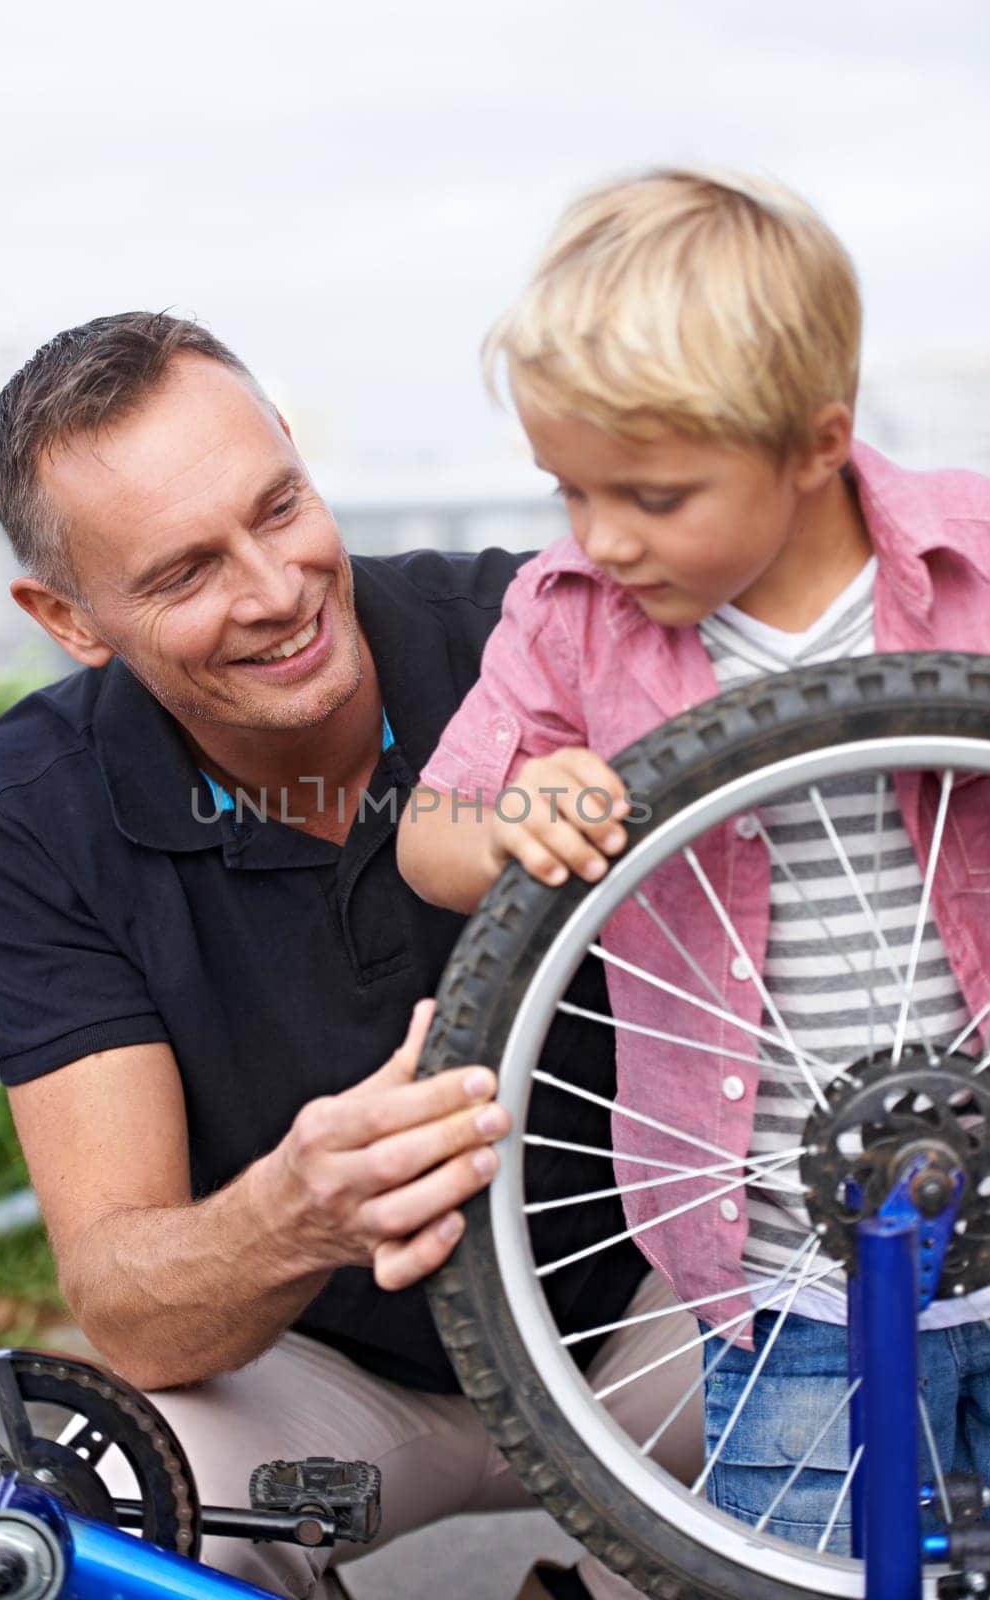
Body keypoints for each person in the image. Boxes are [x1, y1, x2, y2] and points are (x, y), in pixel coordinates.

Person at [0, 313, 701, 1600]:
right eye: (185, 574)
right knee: (88, 1508)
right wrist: (296, 1208)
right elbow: (126, 1299)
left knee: (920, 1372)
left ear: (295, 452)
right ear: (66, 618)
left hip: (663, 1327)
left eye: (278, 506)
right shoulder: (29, 808)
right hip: (329, 1392)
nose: (277, 588)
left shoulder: (542, 638)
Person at [397, 167, 990, 1551]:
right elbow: (430, 836)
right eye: (567, 488)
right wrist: (516, 817)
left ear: (814, 441)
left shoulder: (971, 561)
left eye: (653, 495)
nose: (601, 537)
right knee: (785, 1576)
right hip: (787, 1285)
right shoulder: (572, 624)